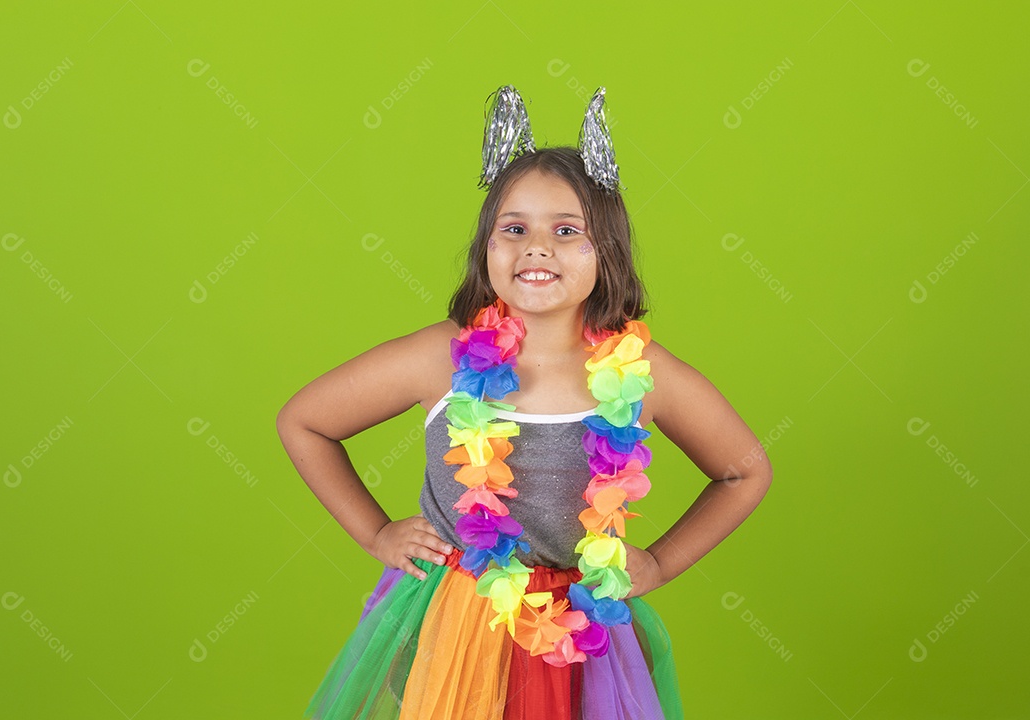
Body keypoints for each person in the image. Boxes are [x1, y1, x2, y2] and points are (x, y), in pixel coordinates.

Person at [276, 86, 772, 719]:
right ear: (488, 247)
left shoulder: (642, 372)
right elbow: (306, 421)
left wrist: (660, 563)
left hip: (582, 628)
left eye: (567, 231)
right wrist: (376, 532)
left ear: (608, 252)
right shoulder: (440, 359)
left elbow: (744, 468)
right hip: (458, 623)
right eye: (515, 229)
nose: (537, 248)